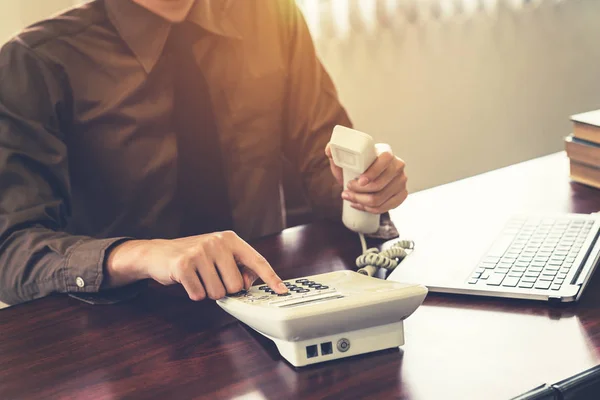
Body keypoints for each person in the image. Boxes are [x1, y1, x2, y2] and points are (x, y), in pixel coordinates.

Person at [0, 0, 408, 305]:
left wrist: (365, 186)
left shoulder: (273, 16)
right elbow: (11, 248)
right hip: (124, 327)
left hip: (271, 296)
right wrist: (142, 253)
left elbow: (324, 164)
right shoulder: (34, 63)